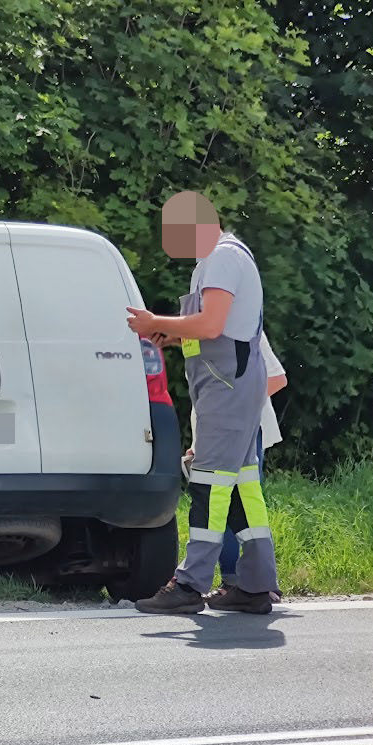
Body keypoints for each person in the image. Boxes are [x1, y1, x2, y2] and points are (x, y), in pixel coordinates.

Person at [127, 193, 278, 615]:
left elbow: (211, 324)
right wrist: (175, 337)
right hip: (229, 386)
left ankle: (189, 585)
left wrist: (155, 322)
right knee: (243, 487)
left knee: (208, 484)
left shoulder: (222, 258)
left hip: (227, 389)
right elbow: (217, 331)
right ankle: (255, 586)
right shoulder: (216, 259)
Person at [188, 332, 287, 599]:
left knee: (236, 504)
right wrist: (199, 441)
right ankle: (242, 583)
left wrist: (233, 409)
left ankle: (247, 583)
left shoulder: (240, 325)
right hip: (216, 431)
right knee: (227, 505)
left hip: (241, 427)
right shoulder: (197, 332)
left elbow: (276, 379)